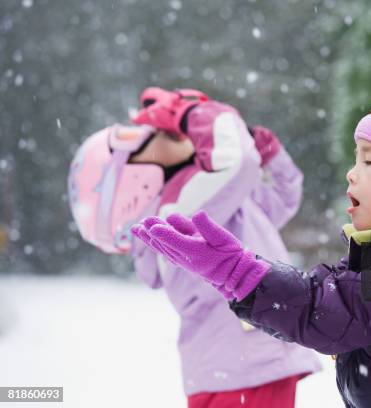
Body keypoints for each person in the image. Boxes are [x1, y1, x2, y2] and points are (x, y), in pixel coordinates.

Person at [132, 78, 371, 408]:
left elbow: (330, 312)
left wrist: (238, 272)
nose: (352, 175)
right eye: (356, 160)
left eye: (370, 161)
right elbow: (326, 297)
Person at [68, 87, 321, 407]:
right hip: (243, 365)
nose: (174, 130)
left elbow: (281, 199)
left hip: (239, 365)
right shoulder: (176, 212)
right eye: (165, 134)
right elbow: (237, 161)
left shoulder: (209, 201)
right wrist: (195, 115)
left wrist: (268, 154)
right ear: (134, 179)